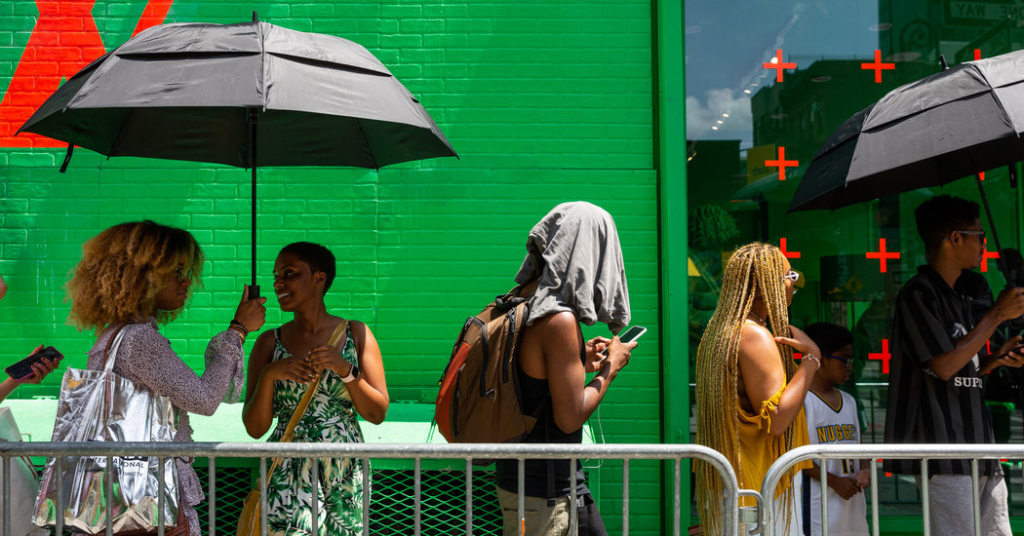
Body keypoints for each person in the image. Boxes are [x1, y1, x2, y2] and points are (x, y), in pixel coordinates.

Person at [66, 220, 266, 536]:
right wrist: (237, 331)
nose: (186, 281)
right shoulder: (139, 340)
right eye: (175, 272)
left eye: (186, 272)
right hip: (148, 497)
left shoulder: (113, 335)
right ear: (142, 276)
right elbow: (204, 399)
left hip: (119, 493)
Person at [884, 195, 1024, 536]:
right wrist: (997, 315)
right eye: (979, 235)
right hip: (943, 451)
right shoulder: (918, 294)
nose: (984, 245)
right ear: (955, 238)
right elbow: (944, 367)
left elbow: (962, 366)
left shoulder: (960, 296)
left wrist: (996, 358)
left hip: (980, 446)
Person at [494, 202, 636, 536]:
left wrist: (578, 360)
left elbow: (530, 379)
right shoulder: (558, 318)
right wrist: (610, 369)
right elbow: (569, 418)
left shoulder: (522, 299)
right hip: (545, 496)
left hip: (537, 484)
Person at [242, 242, 389, 536]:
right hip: (287, 466)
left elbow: (377, 413)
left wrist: (346, 370)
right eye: (276, 276)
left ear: (318, 279)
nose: (278, 283)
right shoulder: (269, 342)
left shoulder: (356, 334)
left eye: (289, 274)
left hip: (344, 469)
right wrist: (270, 374)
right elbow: (255, 428)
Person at [694, 242, 818, 536]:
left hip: (735, 483)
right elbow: (777, 419)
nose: (793, 282)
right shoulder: (754, 336)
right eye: (789, 275)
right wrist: (812, 359)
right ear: (767, 286)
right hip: (756, 489)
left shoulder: (719, 331)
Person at [800, 322, 869, 536]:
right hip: (818, 505)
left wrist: (865, 469)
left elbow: (861, 448)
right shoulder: (801, 402)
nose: (849, 366)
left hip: (852, 504)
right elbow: (796, 458)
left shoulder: (849, 401)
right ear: (821, 359)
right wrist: (835, 481)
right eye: (844, 359)